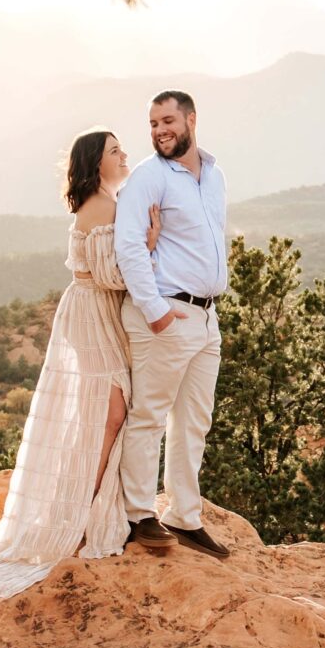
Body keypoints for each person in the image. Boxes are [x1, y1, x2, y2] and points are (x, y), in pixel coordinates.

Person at [0, 130, 150, 596]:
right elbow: (110, 276)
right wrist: (153, 238)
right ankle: (81, 518)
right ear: (95, 163)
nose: (125, 156)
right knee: (109, 413)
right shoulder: (101, 207)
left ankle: (88, 508)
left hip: (97, 314)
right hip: (94, 314)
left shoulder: (105, 201)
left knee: (101, 414)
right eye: (115, 151)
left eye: (123, 149)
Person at [112, 89, 231, 558]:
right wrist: (156, 310)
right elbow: (129, 246)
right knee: (149, 417)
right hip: (165, 313)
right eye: (154, 124)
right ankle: (139, 515)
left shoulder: (215, 175)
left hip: (205, 318)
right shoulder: (148, 176)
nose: (160, 131)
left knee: (194, 421)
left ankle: (184, 516)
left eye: (168, 121)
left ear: (191, 120)